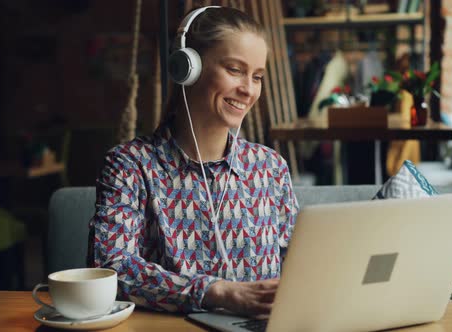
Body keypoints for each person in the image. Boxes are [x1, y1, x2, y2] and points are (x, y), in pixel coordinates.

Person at [89, 6, 299, 316]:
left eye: (257, 77)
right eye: (235, 69)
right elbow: (111, 267)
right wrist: (217, 292)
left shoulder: (271, 168)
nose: (248, 89)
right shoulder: (130, 166)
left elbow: (300, 264)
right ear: (188, 67)